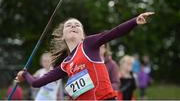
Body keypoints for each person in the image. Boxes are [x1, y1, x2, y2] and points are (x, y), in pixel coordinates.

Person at [16, 12, 154, 100]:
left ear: (82, 35)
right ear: (63, 35)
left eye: (77, 25)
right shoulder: (65, 64)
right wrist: (25, 74)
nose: (73, 26)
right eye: (68, 25)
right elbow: (36, 82)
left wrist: (135, 21)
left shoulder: (88, 44)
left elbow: (114, 32)